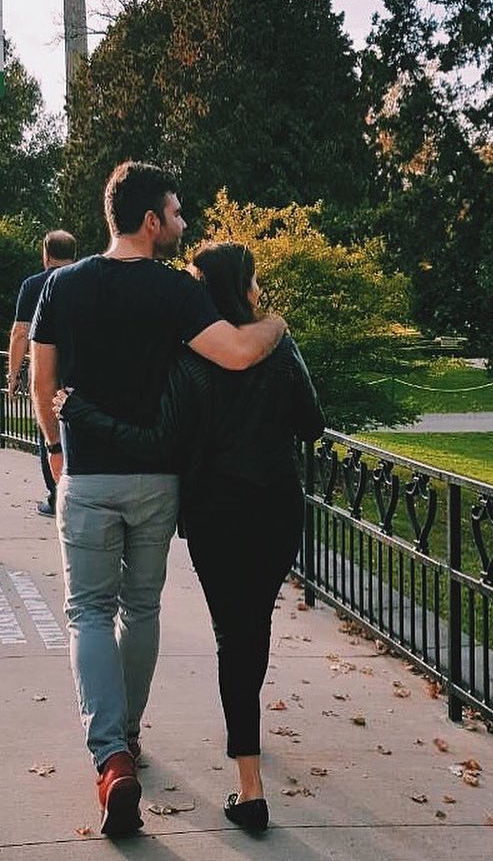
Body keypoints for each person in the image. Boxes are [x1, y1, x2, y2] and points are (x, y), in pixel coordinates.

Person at [29, 162, 288, 837]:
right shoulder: (177, 292)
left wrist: (55, 448)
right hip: (155, 482)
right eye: (175, 212)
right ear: (150, 221)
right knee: (139, 608)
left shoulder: (62, 284)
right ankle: (129, 734)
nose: (182, 222)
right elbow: (237, 352)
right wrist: (277, 324)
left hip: (88, 476)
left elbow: (40, 380)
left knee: (88, 612)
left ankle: (111, 756)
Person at [7, 230, 77, 516]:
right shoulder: (83, 281)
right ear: (74, 254)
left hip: (45, 366)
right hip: (77, 367)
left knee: (46, 427)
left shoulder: (33, 285)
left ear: (46, 255)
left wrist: (13, 373)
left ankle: (56, 492)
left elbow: (20, 332)